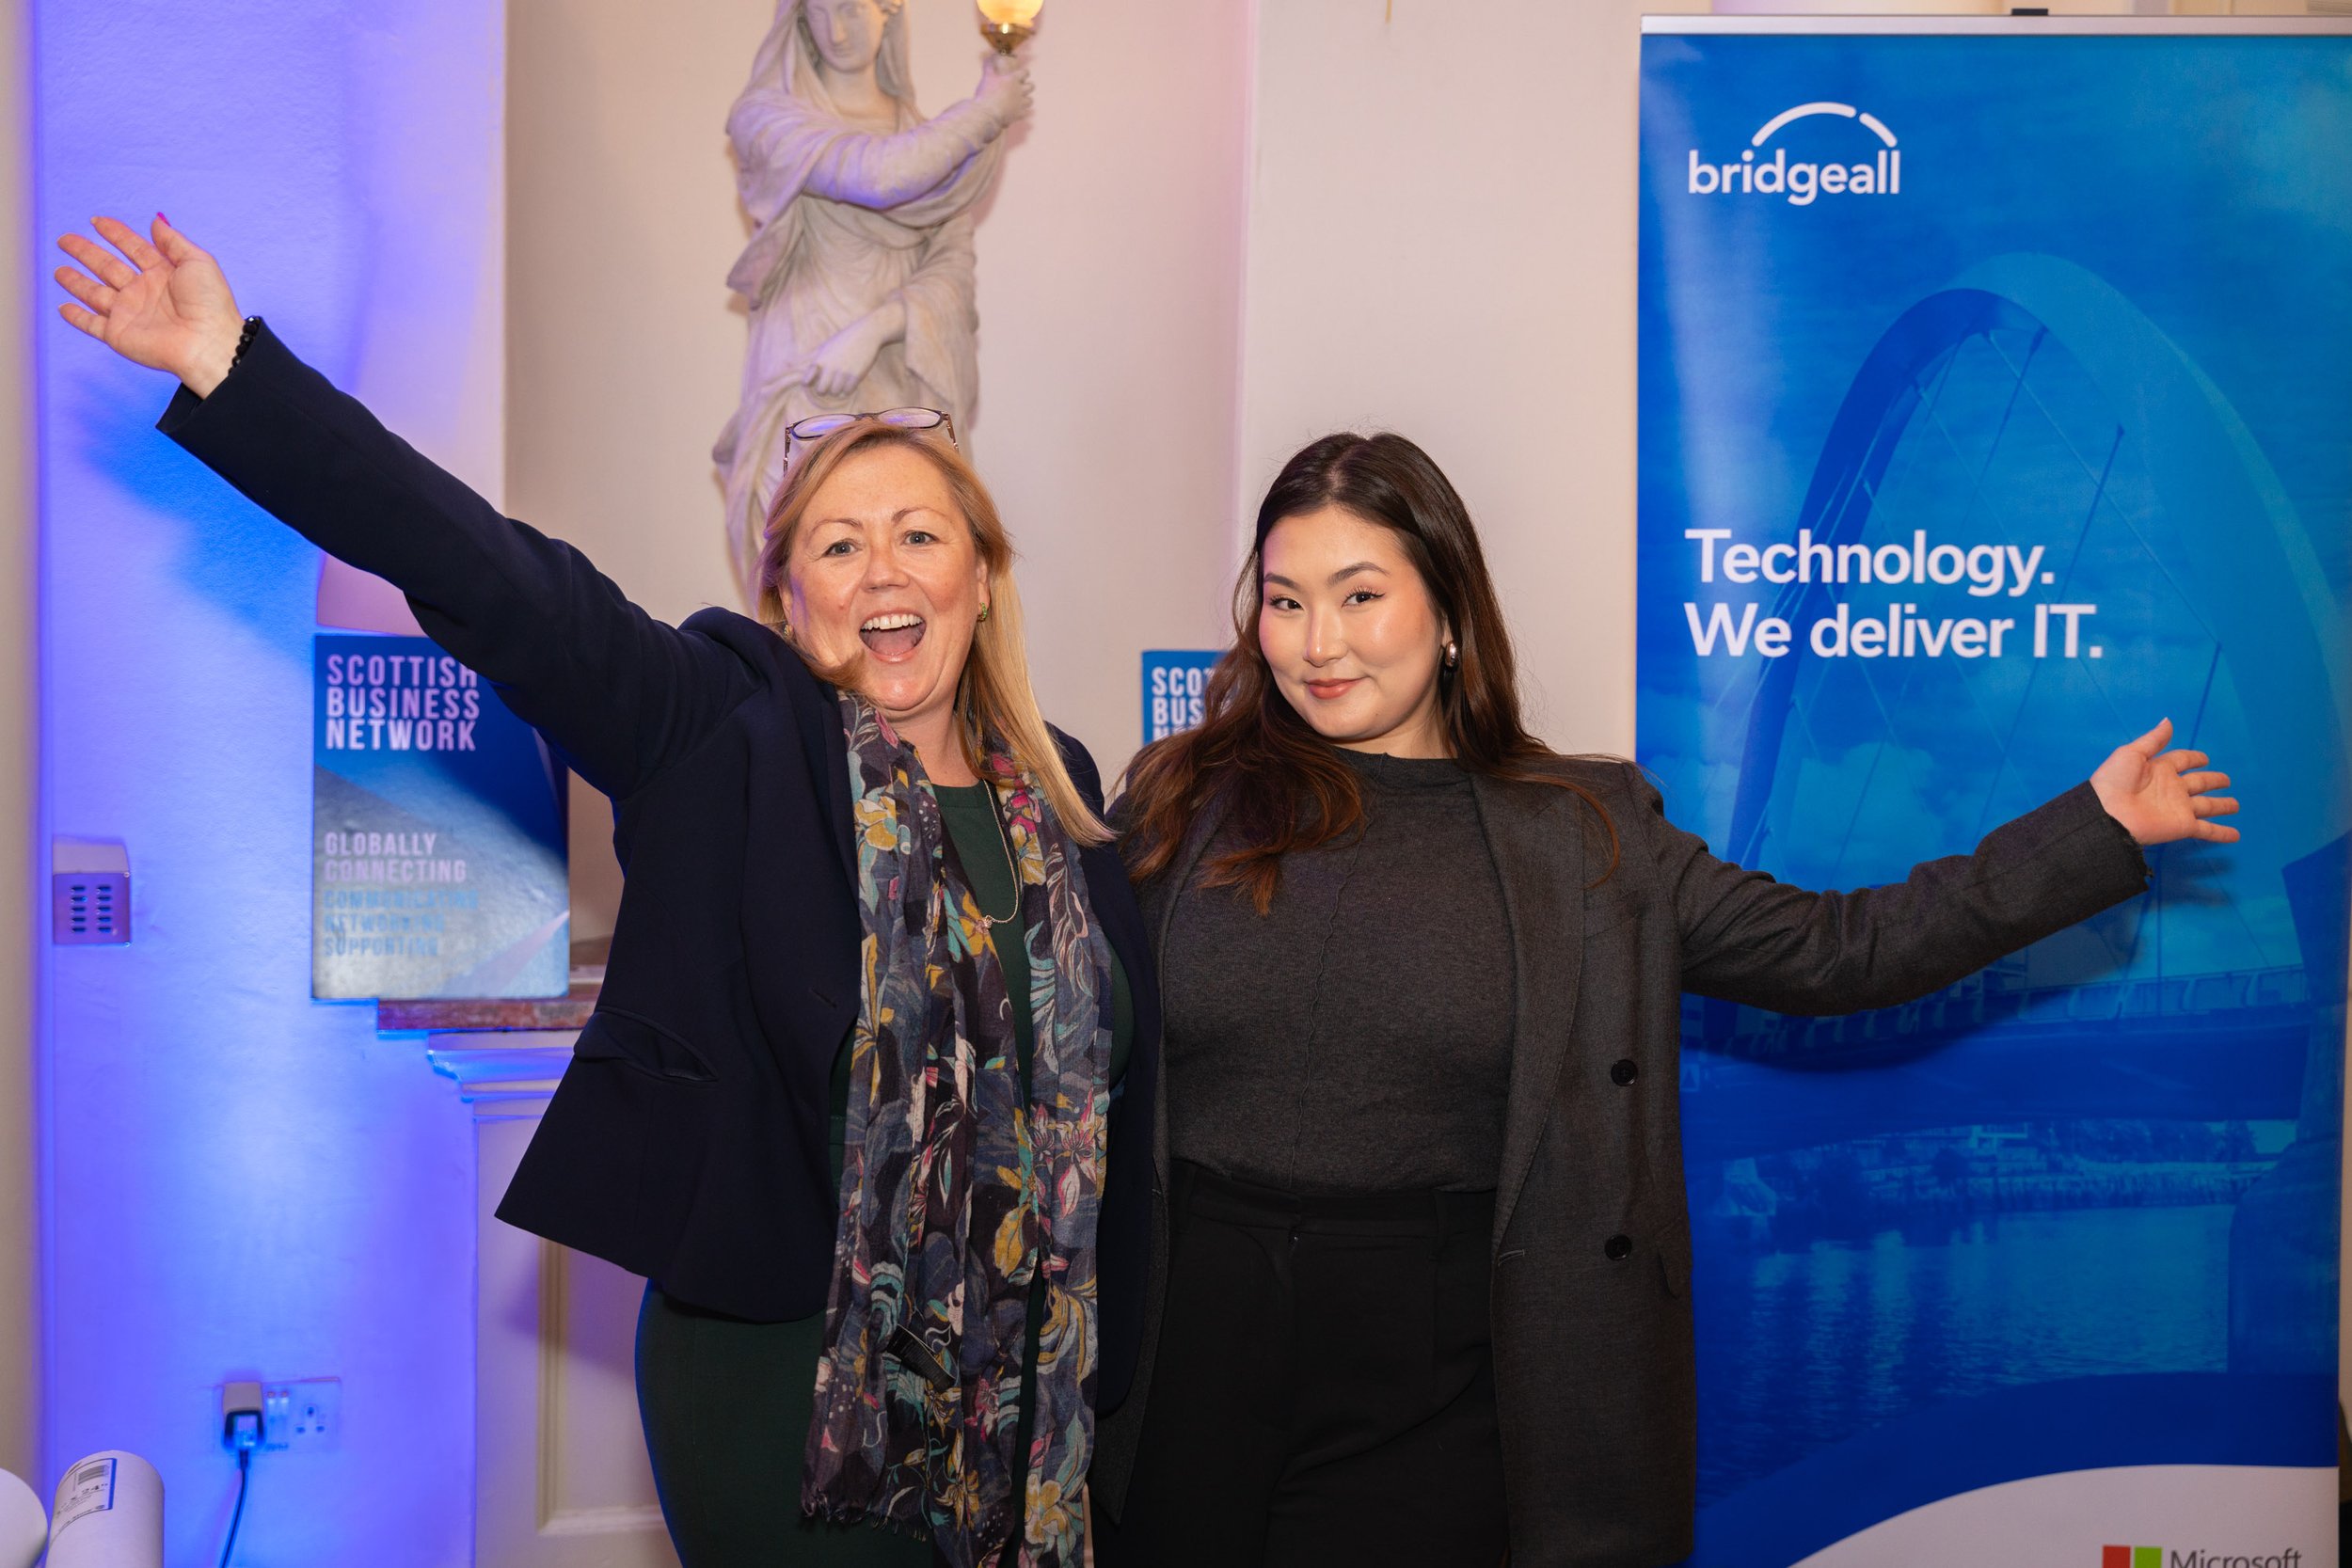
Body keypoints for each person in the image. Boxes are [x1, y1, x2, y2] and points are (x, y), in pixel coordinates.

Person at [53, 214, 1159, 1568]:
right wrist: (237, 368)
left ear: (979, 580)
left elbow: (1127, 1117)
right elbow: (499, 582)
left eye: (920, 534)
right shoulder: (724, 734)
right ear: (787, 600)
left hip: (1032, 1410)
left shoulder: (1070, 799)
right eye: (836, 545)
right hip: (788, 1396)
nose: (883, 569)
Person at [1090, 433, 2237, 1567]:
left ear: (1447, 615)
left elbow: (1839, 951)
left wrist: (2086, 833)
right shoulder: (1176, 801)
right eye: (1284, 601)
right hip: (1190, 1342)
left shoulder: (1584, 835)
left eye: (1359, 594)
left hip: (1438, 1375)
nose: (1316, 642)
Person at [714, 0, 1033, 590]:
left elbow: (952, 270)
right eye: (821, 11)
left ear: (889, 12)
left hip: (901, 379)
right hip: (807, 378)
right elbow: (877, 175)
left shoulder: (930, 140)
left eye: (853, 10)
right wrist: (986, 110)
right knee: (803, 573)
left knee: (908, 572)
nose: (837, 30)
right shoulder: (765, 119)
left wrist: (877, 327)